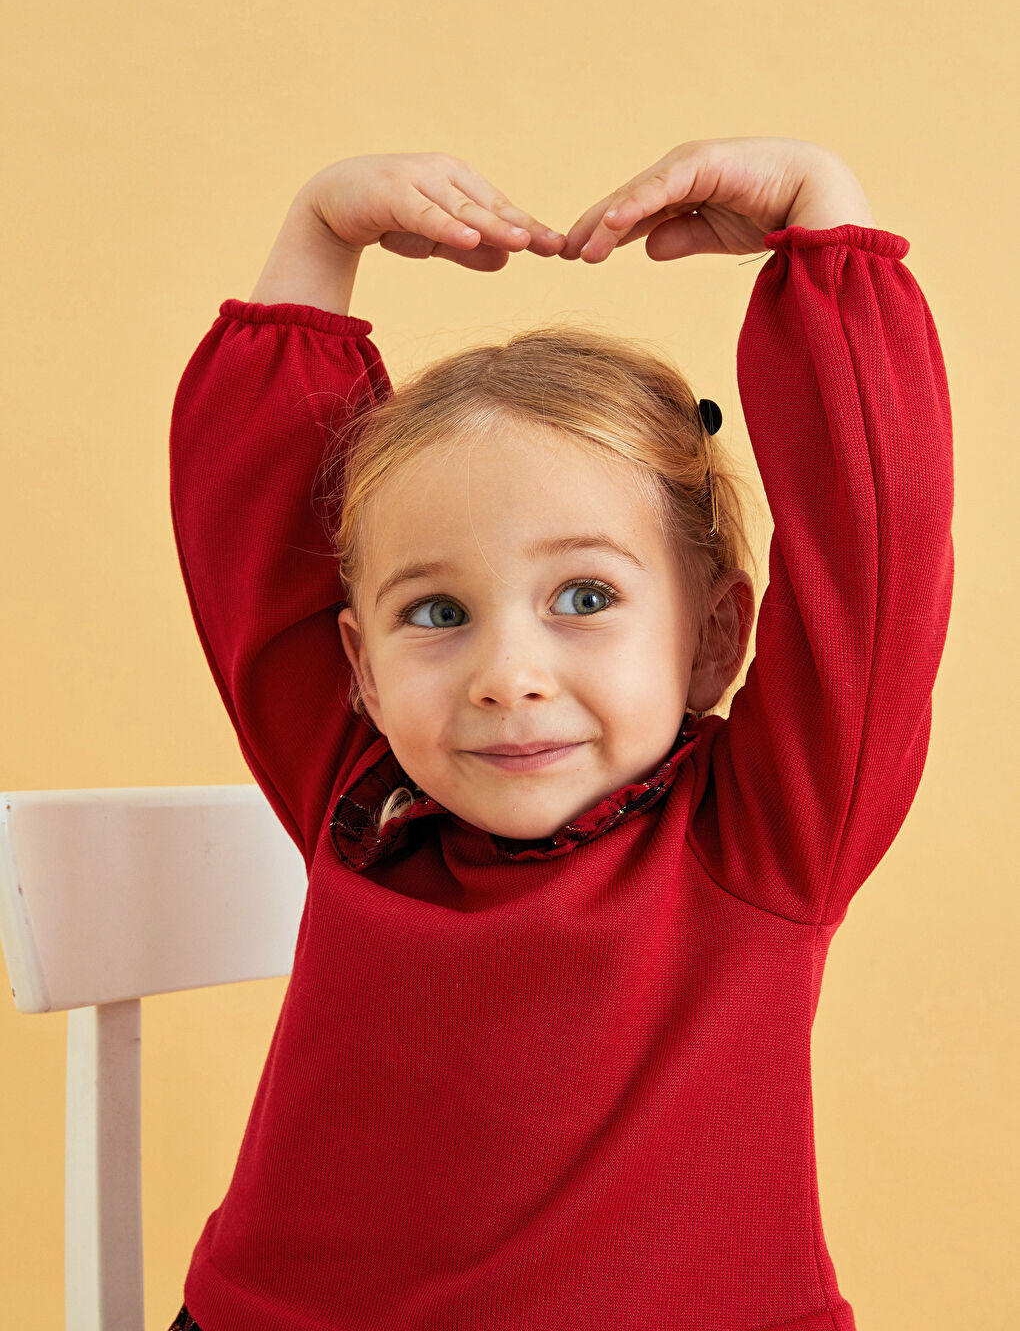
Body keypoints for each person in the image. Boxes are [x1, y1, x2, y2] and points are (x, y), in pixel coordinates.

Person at [167, 138, 954, 1331]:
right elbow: (256, 535)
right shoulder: (357, 796)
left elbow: (875, 543)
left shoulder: (763, 840)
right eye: (437, 613)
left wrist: (823, 227)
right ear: (363, 673)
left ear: (711, 634)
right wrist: (317, 239)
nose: (507, 677)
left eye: (584, 597)